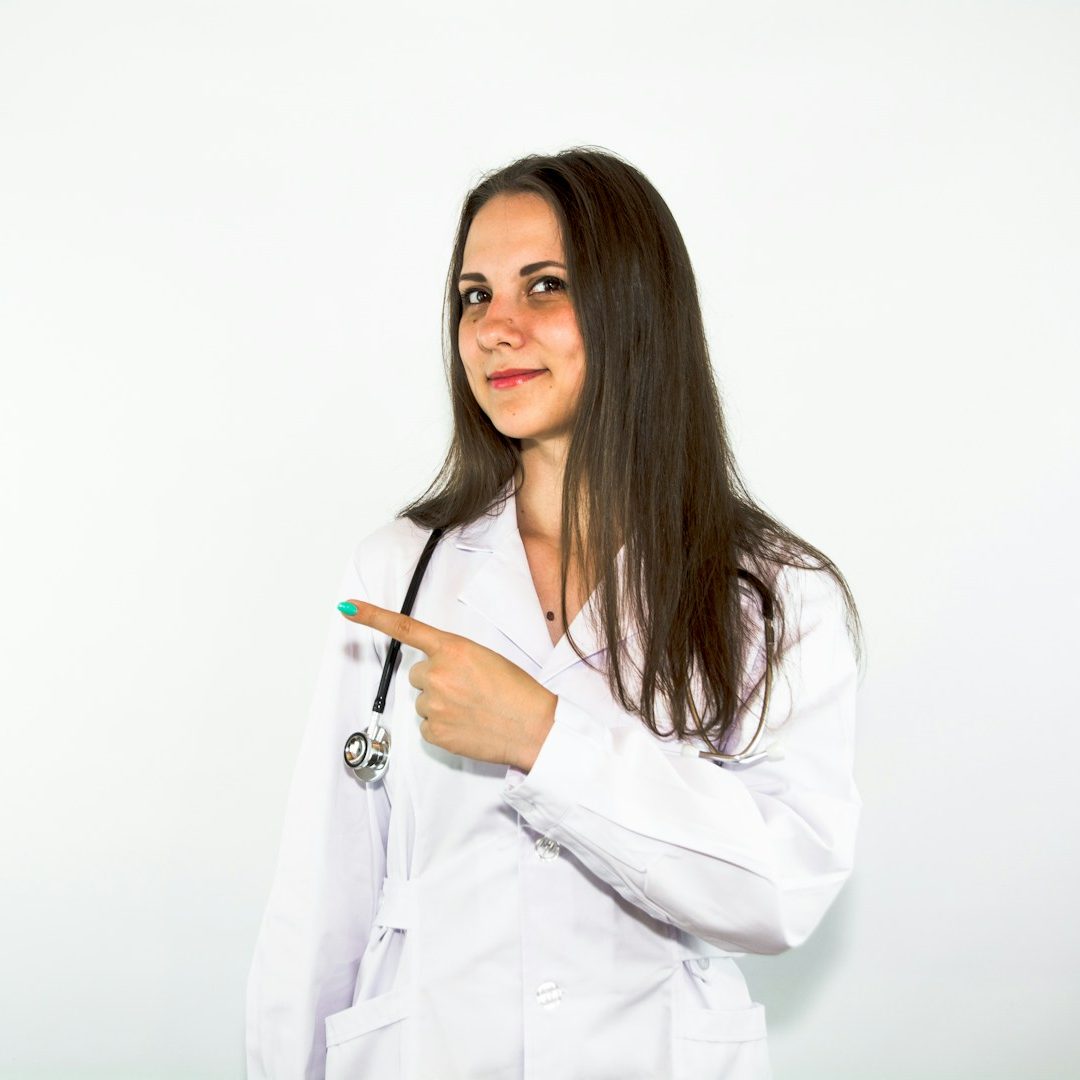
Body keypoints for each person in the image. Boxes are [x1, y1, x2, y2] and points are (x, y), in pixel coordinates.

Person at [246, 146, 863, 1080]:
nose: (495, 329)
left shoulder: (772, 591)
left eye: (544, 286)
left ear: (636, 308)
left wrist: (543, 739)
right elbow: (321, 897)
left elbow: (781, 891)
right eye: (474, 296)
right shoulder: (398, 570)